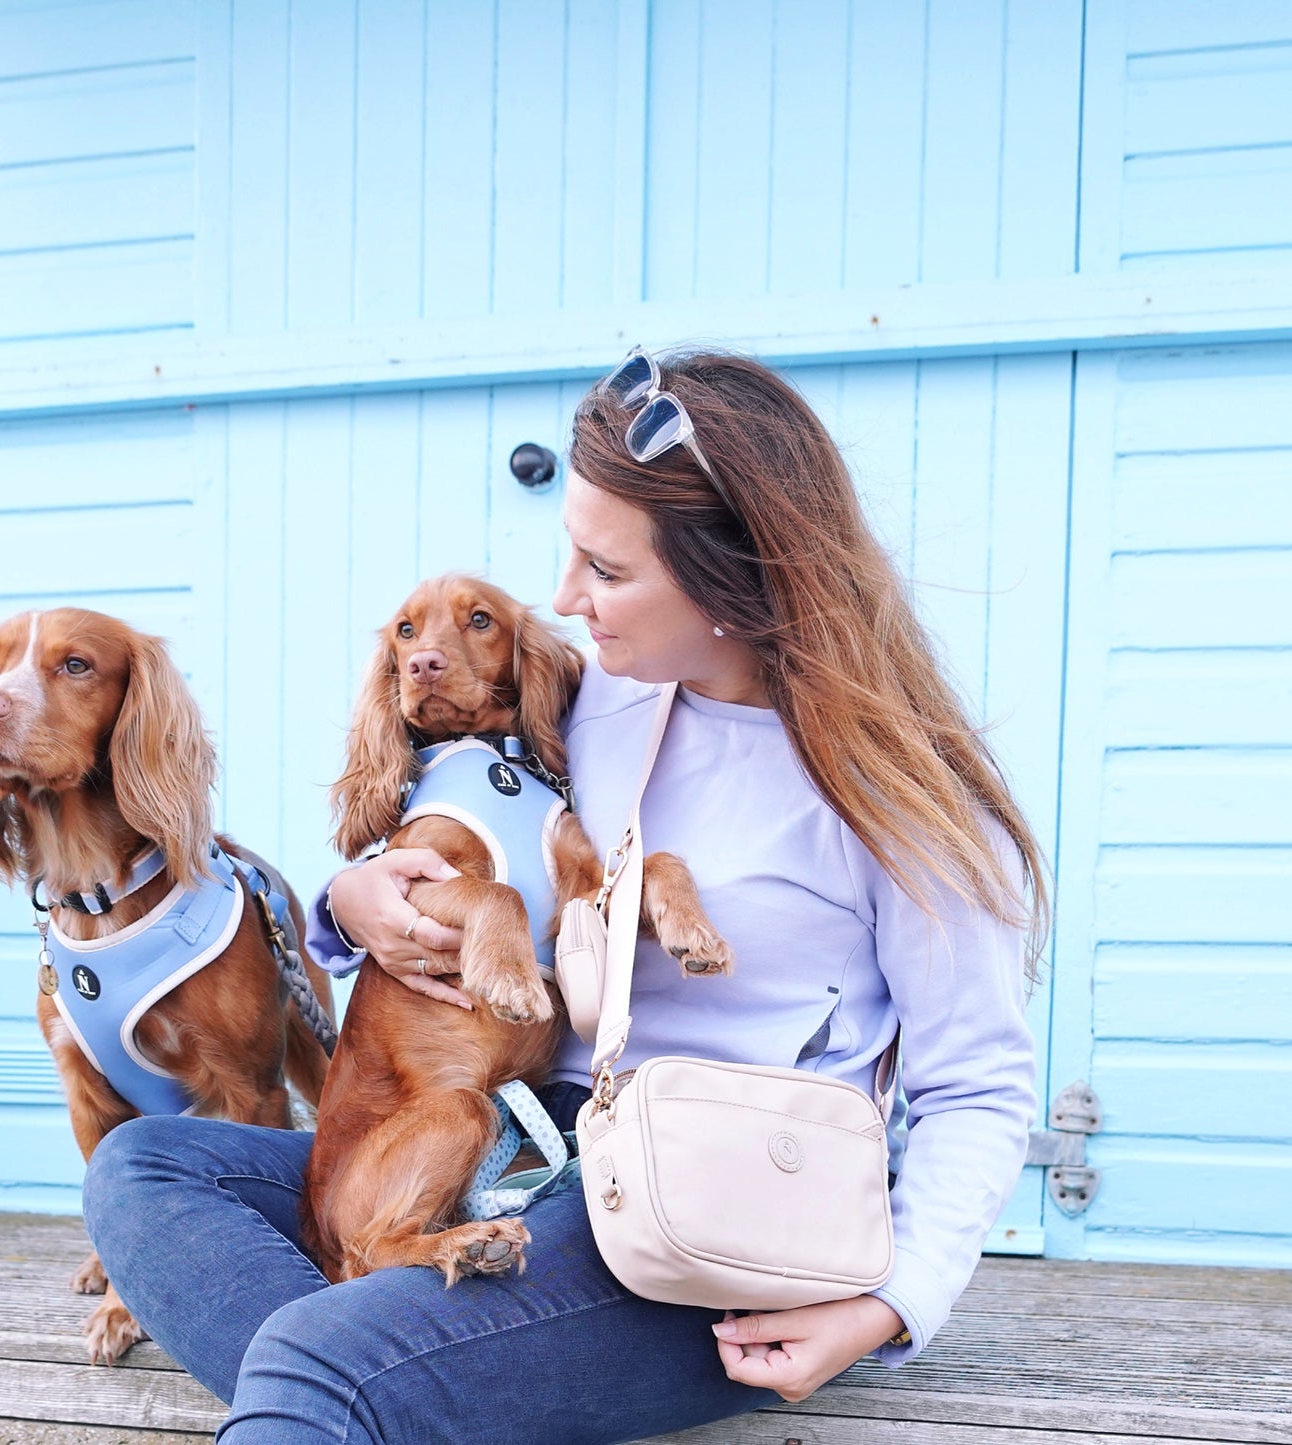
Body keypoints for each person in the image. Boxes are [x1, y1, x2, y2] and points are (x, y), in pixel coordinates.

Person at [84, 346, 1048, 1444]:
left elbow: (975, 1083)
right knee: (147, 1163)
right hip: (521, 1143)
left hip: (710, 1225)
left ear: (740, 575)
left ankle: (353, 1383)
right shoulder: (594, 708)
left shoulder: (893, 792)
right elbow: (459, 836)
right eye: (567, 555)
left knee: (322, 1357)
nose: (562, 598)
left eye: (606, 569)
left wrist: (891, 1302)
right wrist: (353, 900)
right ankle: (381, 1388)